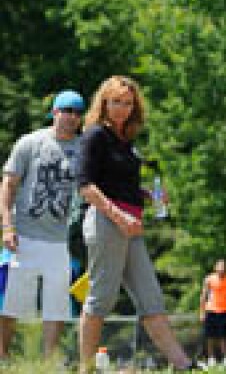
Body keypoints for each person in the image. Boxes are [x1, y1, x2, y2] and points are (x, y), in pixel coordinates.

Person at [76, 75, 194, 372]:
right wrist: (119, 215)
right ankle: (86, 368)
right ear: (104, 102)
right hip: (107, 223)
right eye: (116, 102)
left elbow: (118, 184)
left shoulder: (125, 141)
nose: (122, 109)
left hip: (132, 227)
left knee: (151, 298)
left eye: (128, 103)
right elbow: (86, 186)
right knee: (100, 299)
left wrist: (149, 196)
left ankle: (184, 365)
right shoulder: (95, 136)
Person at [0, 90, 85, 360]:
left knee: (57, 306)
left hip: (59, 239)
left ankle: (48, 362)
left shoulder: (83, 148)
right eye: (67, 110)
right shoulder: (30, 142)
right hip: (24, 235)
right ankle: (2, 356)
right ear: (55, 112)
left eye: (77, 112)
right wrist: (7, 226)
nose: (72, 117)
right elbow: (9, 185)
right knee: (11, 303)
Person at [200, 259, 226, 365]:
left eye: (223, 267)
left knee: (223, 336)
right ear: (215, 268)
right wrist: (202, 312)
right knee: (210, 336)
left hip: (224, 310)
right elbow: (204, 296)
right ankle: (211, 358)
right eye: (220, 267)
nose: (222, 269)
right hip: (211, 310)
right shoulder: (209, 279)